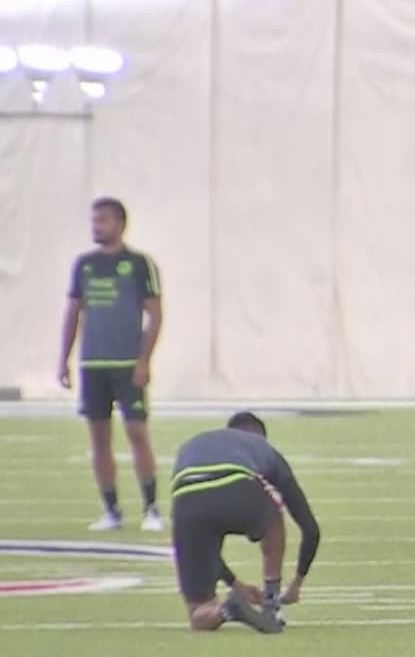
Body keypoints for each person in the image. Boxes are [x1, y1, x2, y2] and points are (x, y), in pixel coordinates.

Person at [58, 197, 164, 532]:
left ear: (119, 223)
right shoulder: (84, 265)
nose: (96, 226)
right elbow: (73, 313)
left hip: (127, 364)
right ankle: (112, 510)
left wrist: (144, 359)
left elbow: (156, 314)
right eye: (93, 220)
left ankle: (151, 509)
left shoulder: (138, 264)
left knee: (137, 433)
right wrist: (64, 360)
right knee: (99, 440)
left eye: (102, 220)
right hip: (93, 365)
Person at [169, 411, 321, 634]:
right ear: (261, 437)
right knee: (274, 515)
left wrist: (235, 585)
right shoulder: (264, 449)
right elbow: (310, 528)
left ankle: (227, 610)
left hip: (186, 501)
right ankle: (271, 603)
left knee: (198, 614)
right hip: (235, 484)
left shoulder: (194, 444)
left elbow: (205, 552)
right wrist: (296, 584)